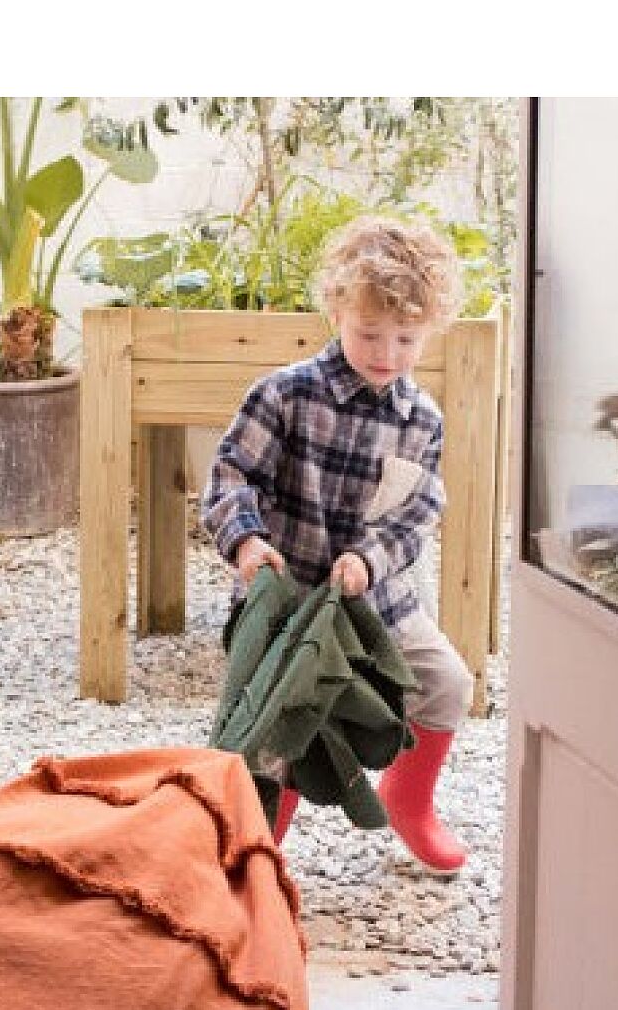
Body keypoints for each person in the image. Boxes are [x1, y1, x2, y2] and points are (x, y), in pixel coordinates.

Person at [201, 214, 474, 875]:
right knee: (279, 726)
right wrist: (247, 543)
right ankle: (256, 851)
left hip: (377, 603)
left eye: (406, 338)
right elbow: (231, 473)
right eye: (369, 333)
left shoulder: (423, 420)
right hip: (293, 600)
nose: (386, 353)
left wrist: (369, 560)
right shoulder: (286, 395)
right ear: (336, 310)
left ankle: (409, 801)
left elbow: (418, 513)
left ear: (429, 331)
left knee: (447, 683)